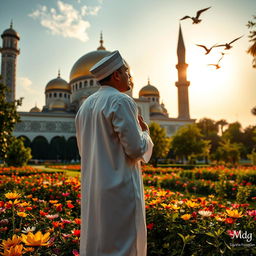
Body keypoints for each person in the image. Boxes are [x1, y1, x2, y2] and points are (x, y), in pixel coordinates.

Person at [75, 50, 153, 256]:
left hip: (95, 189)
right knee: (124, 246)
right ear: (117, 75)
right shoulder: (122, 101)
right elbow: (136, 149)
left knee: (98, 243)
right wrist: (145, 132)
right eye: (126, 72)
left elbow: (84, 151)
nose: (130, 76)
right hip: (120, 191)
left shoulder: (84, 108)